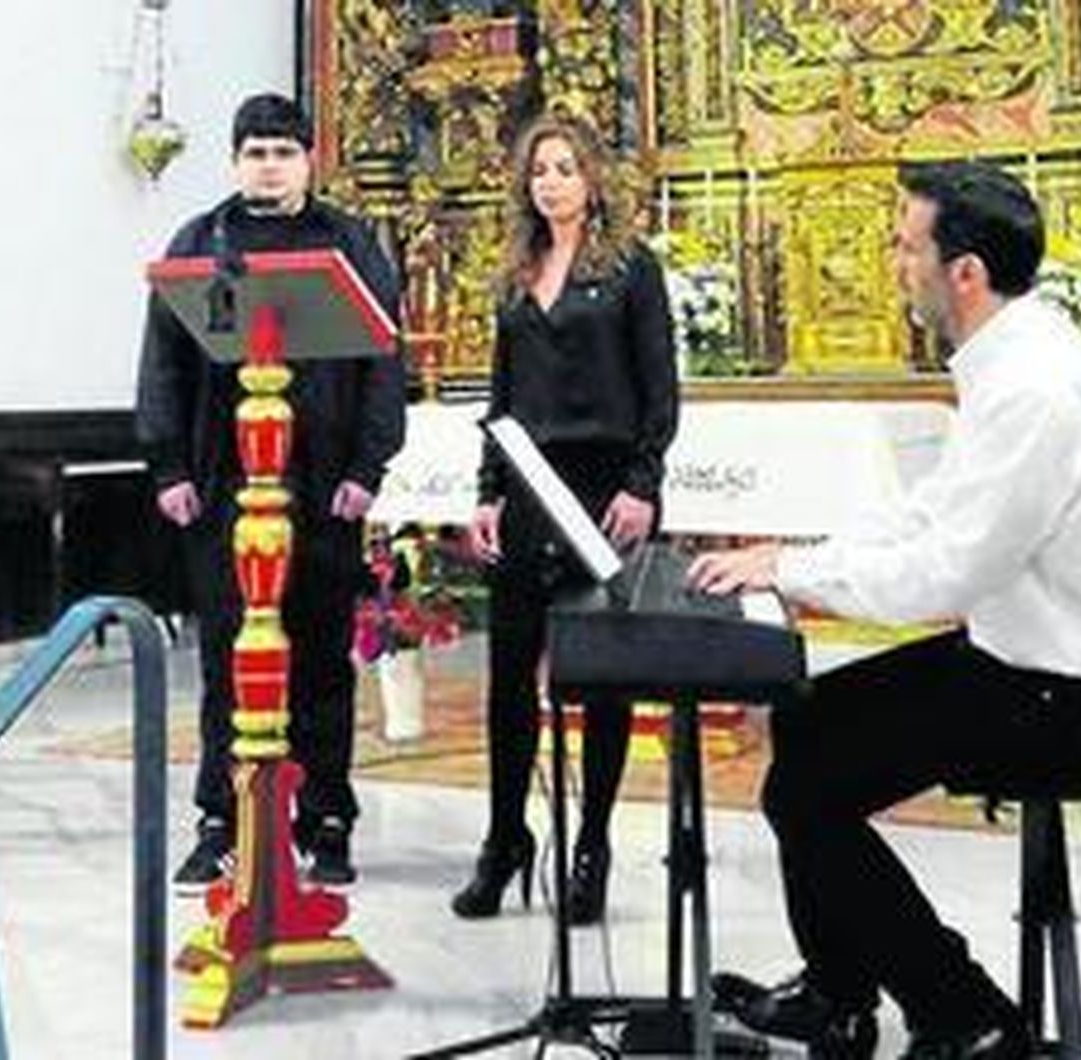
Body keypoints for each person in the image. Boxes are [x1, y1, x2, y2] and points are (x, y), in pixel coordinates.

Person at [688, 161, 1081, 1059]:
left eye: (908, 246)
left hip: (1066, 690)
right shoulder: (1014, 352)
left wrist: (792, 574)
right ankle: (838, 994)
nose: (894, 263)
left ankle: (969, 1016)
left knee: (806, 790)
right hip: (1025, 657)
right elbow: (934, 511)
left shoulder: (1033, 386)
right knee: (808, 725)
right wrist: (785, 557)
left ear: (966, 272)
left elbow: (944, 573)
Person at [135, 93, 405, 892]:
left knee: (321, 653)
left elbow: (383, 364)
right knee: (226, 652)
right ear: (234, 160)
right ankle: (222, 819)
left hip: (321, 488)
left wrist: (367, 469)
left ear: (309, 159)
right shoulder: (200, 242)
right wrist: (169, 470)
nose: (268, 164)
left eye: (283, 151)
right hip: (225, 486)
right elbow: (164, 362)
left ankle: (325, 818)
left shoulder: (349, 242)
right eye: (254, 151)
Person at [451, 113, 679, 923]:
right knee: (510, 678)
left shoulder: (630, 271)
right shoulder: (517, 275)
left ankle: (593, 845)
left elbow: (660, 390)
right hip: (527, 492)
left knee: (602, 676)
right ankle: (504, 837)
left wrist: (642, 484)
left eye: (565, 168)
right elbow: (502, 398)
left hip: (603, 491)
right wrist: (487, 490)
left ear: (592, 180)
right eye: (539, 170)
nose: (550, 181)